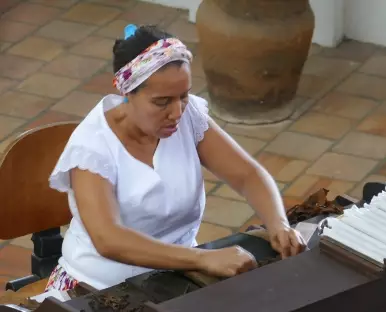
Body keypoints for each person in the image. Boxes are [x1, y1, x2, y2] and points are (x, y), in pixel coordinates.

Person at [45, 24, 306, 292]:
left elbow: (247, 175)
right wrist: (203, 259)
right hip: (99, 287)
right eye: (162, 102)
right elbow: (108, 239)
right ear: (127, 93)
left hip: (176, 276)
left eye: (183, 96)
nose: (177, 112)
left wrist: (278, 224)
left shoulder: (188, 115)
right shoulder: (93, 148)